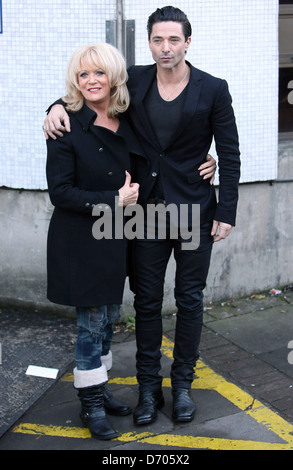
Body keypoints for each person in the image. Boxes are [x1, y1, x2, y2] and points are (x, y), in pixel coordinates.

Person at [44, 5, 236, 427]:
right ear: (149, 42)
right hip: (144, 211)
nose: (165, 47)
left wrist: (227, 209)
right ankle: (148, 389)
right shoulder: (135, 78)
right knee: (146, 303)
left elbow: (230, 150)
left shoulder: (213, 88)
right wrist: (54, 106)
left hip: (193, 210)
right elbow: (92, 86)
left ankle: (181, 387)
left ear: (188, 41)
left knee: (189, 301)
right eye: (157, 39)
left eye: (173, 39)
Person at [45, 42, 143, 440]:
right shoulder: (65, 123)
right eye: (83, 74)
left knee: (108, 322)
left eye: (99, 72)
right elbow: (60, 192)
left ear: (114, 76)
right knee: (91, 325)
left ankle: (98, 389)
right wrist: (113, 200)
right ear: (75, 80)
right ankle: (90, 405)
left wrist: (211, 159)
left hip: (116, 237)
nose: (91, 81)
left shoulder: (126, 115)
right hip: (79, 241)